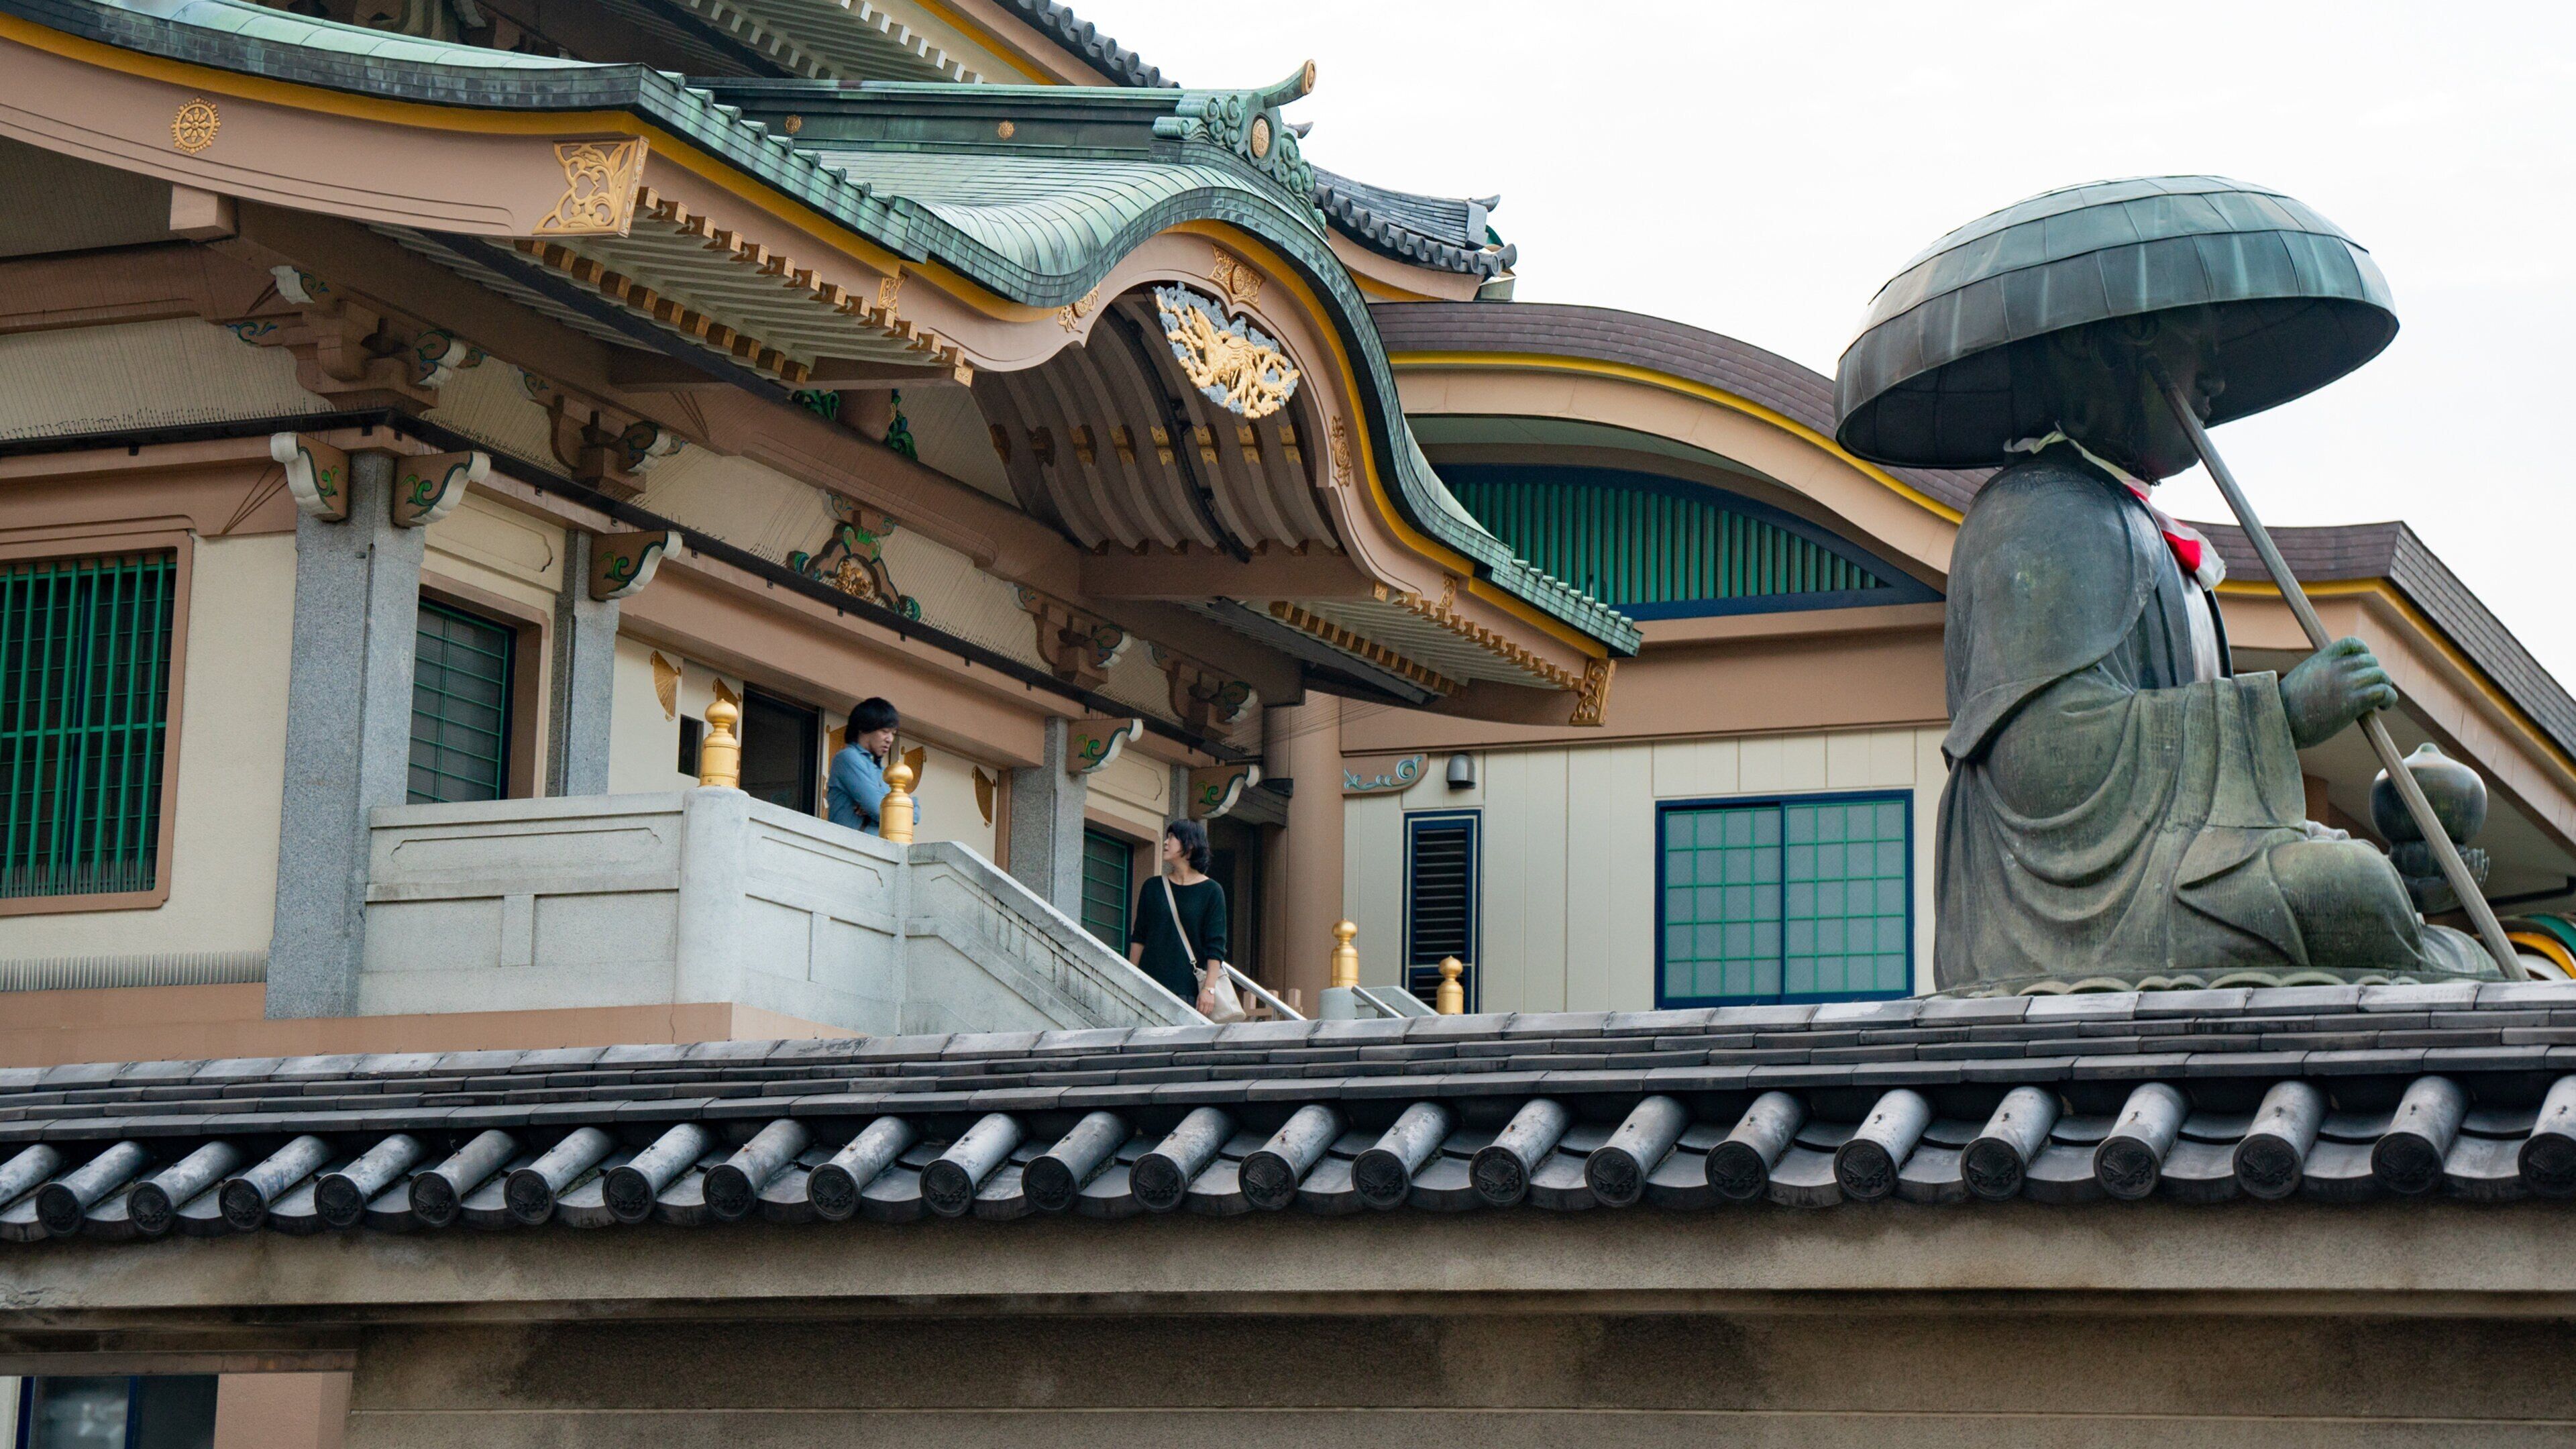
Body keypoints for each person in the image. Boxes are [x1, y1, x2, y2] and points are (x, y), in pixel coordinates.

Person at [1934, 316, 2487, 989]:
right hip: (2079, 910)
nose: (2216, 381)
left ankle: (2422, 940)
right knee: (2348, 887)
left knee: (2358, 877)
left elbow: (2206, 812)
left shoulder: (2137, 524)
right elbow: (2043, 761)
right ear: (2106, 353)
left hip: (2172, 865)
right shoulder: (2038, 513)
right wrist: (2278, 714)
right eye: (2196, 349)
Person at [1126, 819, 1230, 1012]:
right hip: (1148, 987)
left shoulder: (1212, 891)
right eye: (1167, 837)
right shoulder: (1152, 886)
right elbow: (1139, 936)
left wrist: (1209, 989)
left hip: (1187, 991)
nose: (1166, 842)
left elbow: (1215, 946)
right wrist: (1131, 977)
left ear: (1190, 845)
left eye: (1173, 837)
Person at [826, 698, 901, 836]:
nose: (890, 739)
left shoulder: (882, 771)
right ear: (864, 728)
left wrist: (878, 805)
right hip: (849, 846)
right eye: (885, 731)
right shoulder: (848, 758)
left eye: (893, 733)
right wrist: (881, 806)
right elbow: (878, 809)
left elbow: (914, 814)